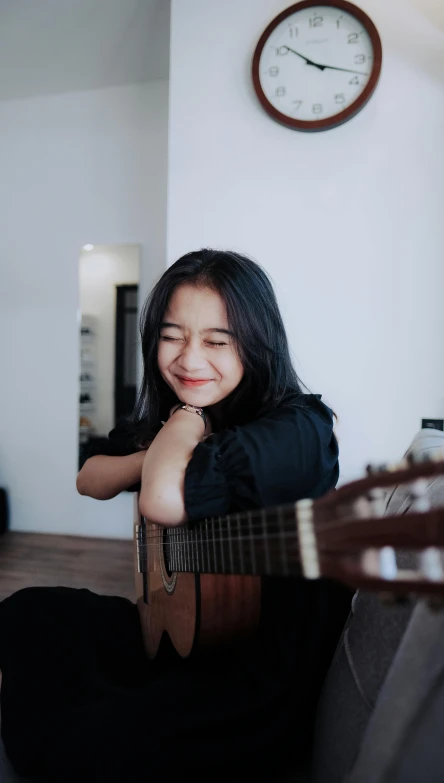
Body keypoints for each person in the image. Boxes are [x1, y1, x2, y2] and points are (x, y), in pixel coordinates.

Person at [0, 249, 351, 782]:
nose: (190, 359)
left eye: (216, 341)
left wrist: (184, 421)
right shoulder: (168, 417)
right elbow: (90, 477)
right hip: (186, 631)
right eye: (172, 336)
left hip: (256, 675)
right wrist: (156, 449)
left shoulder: (299, 429)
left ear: (257, 343)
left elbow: (162, 501)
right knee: (27, 612)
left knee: (76, 740)